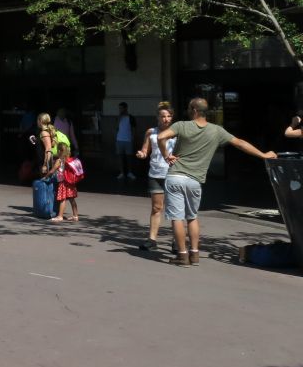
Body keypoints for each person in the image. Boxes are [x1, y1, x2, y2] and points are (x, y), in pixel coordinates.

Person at [157, 98, 276, 267]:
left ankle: (182, 256)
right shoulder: (217, 131)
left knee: (177, 218)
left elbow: (161, 137)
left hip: (176, 176)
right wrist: (264, 155)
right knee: (192, 217)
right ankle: (195, 255)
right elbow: (240, 144)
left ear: (194, 110)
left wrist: (165, 155)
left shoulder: (181, 125)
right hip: (195, 180)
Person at [135, 101, 176, 250]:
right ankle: (152, 240)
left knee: (173, 209)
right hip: (155, 174)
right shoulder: (151, 132)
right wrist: (142, 154)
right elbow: (145, 150)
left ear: (172, 117)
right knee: (156, 208)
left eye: (168, 116)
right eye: (163, 116)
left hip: (173, 174)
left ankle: (176, 241)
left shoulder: (177, 132)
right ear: (157, 117)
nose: (166, 119)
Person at [50, 138, 79, 222]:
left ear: (59, 151)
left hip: (63, 183)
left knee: (62, 199)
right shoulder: (68, 159)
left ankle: (60, 216)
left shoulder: (59, 161)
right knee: (72, 199)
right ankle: (75, 216)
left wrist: (46, 176)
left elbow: (52, 170)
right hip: (70, 182)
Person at [115, 102, 137, 181]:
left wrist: (133, 138)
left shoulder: (131, 117)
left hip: (128, 140)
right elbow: (116, 127)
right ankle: (121, 173)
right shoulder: (118, 117)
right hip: (119, 139)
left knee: (129, 157)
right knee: (120, 157)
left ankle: (130, 172)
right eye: (119, 108)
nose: (120, 110)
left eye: (121, 108)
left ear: (126, 108)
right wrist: (119, 118)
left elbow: (134, 129)